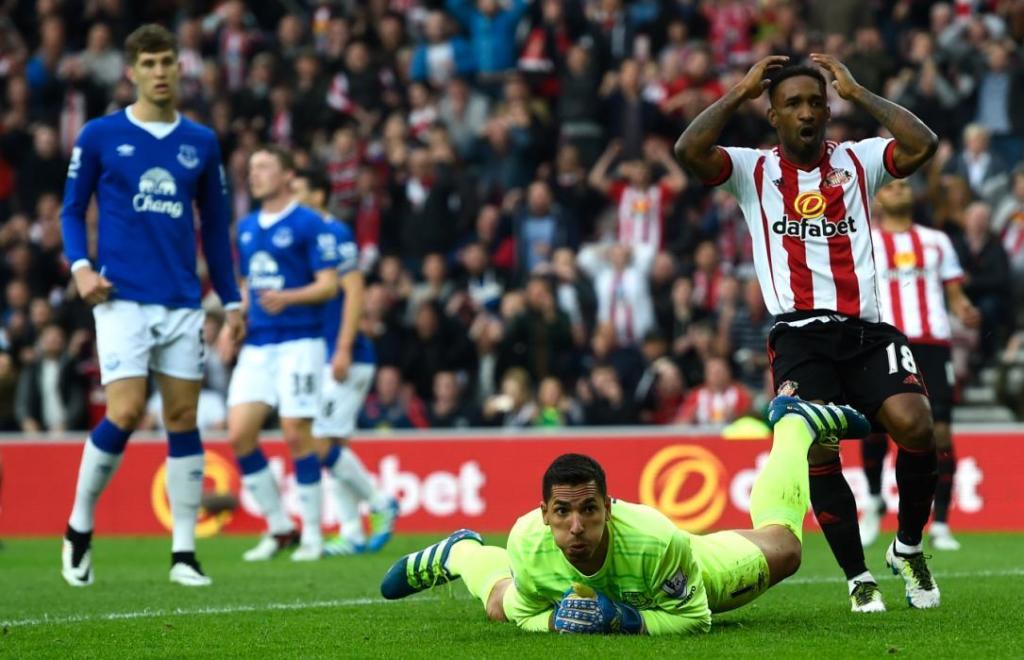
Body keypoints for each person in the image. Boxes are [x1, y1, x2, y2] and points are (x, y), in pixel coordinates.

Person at [674, 54, 942, 613]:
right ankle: (856, 577)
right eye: (792, 103)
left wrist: (862, 93)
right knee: (820, 448)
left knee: (917, 427)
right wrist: (739, 90)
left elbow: (923, 145)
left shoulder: (858, 160)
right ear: (772, 113)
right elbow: (689, 152)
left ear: (828, 110)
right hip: (799, 335)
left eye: (816, 102)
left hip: (866, 330)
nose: (807, 112)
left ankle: (909, 547)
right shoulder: (753, 171)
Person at [380, 396, 871, 634]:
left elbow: (695, 620)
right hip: (566, 577)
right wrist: (552, 624)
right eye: (563, 513)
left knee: (785, 547)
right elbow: (526, 616)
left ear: (609, 509)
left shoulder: (658, 539)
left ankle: (793, 426)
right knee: (496, 605)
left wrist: (626, 619)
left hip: (686, 574)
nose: (576, 526)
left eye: (589, 510)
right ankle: (461, 551)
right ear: (544, 515)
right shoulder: (525, 543)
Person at [59, 24, 244, 588]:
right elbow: (71, 210)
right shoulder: (100, 135)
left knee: (184, 417)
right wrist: (80, 267)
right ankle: (79, 526)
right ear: (132, 71)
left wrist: (231, 298)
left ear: (179, 69)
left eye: (168, 62)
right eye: (150, 63)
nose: (161, 72)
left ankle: (184, 553)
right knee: (126, 410)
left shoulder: (202, 142)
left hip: (183, 300)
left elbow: (214, 227)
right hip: (120, 298)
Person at [223, 146, 339, 562]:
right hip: (258, 344)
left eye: (264, 166)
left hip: (299, 342)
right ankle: (279, 527)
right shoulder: (248, 226)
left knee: (295, 432)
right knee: (239, 435)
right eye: (251, 167)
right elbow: (247, 284)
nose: (254, 174)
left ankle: (312, 535)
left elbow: (329, 284)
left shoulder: (309, 223)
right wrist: (229, 323)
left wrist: (288, 297)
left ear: (288, 175)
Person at [862, 180, 980, 551]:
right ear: (877, 198)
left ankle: (941, 522)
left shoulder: (937, 241)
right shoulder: (865, 241)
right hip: (885, 343)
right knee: (875, 428)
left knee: (940, 432)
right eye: (889, 185)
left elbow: (955, 294)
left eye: (903, 184)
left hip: (932, 345)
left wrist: (964, 309)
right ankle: (873, 502)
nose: (897, 187)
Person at [290, 170, 398, 558]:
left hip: (346, 356)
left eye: (298, 188)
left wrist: (344, 346)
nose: (292, 196)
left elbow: (355, 291)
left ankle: (379, 501)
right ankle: (352, 531)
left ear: (319, 194)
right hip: (323, 353)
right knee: (332, 443)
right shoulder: (305, 238)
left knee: (318, 438)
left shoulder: (334, 233)